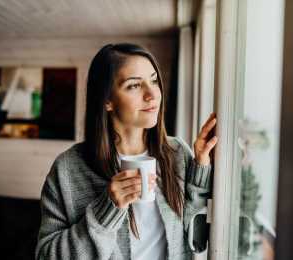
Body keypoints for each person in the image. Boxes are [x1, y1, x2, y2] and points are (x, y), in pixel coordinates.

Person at [35, 43, 218, 260]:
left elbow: (196, 241)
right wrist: (107, 210)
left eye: (153, 80)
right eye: (134, 86)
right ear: (107, 101)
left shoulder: (177, 152)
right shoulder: (67, 169)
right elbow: (47, 256)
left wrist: (201, 166)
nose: (152, 94)